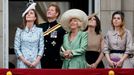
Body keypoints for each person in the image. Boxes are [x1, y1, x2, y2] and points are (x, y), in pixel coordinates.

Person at [14, 2, 44, 68]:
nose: (28, 14)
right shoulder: (19, 30)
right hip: (22, 63)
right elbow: (16, 48)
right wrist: (25, 61)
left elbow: (41, 48)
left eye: (31, 13)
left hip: (36, 63)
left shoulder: (39, 31)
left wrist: (36, 61)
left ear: (35, 18)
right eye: (27, 13)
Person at [37, 3, 65, 69]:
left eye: (52, 10)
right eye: (48, 10)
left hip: (55, 61)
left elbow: (63, 45)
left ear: (57, 14)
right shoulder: (40, 27)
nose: (49, 11)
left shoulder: (61, 28)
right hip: (42, 60)